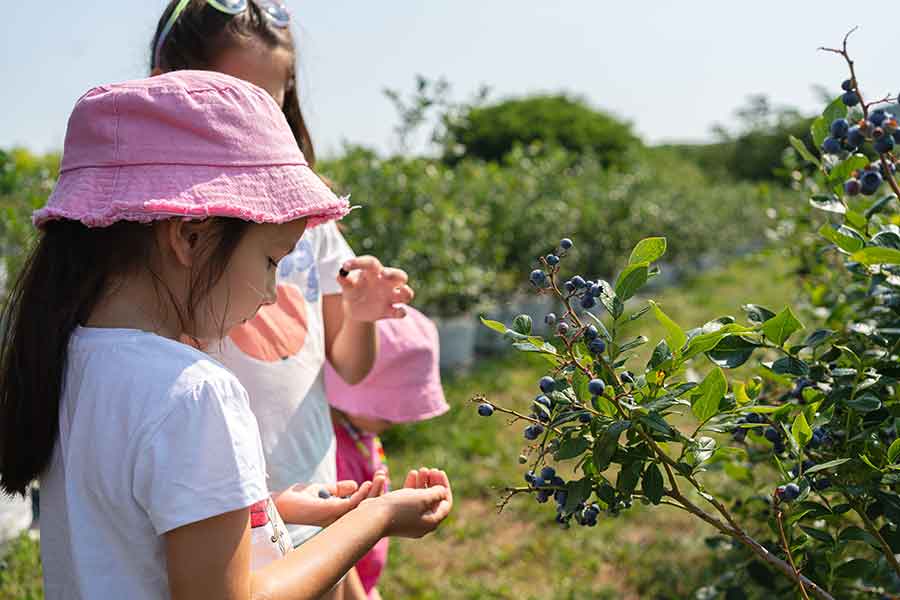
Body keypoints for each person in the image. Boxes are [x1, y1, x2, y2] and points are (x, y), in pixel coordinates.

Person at [0, 69, 452, 600]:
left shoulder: (70, 357)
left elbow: (130, 534)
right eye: (269, 261)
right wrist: (374, 519)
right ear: (190, 237)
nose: (269, 293)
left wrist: (265, 510)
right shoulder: (195, 392)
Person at [149, 2, 416, 558]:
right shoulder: (164, 228)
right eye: (234, 97)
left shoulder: (309, 223)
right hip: (220, 508)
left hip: (313, 484)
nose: (256, 120)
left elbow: (349, 363)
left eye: (271, 103)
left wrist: (362, 316)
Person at [326, 305, 449, 599]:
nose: (398, 419)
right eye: (387, 410)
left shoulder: (362, 432)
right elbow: (333, 543)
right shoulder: (335, 456)